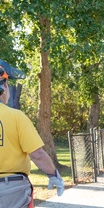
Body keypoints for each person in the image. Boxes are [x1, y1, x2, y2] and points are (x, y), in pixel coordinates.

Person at [0, 59, 64, 208]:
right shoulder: (16, 117)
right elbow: (38, 155)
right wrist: (54, 175)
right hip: (13, 190)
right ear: (4, 87)